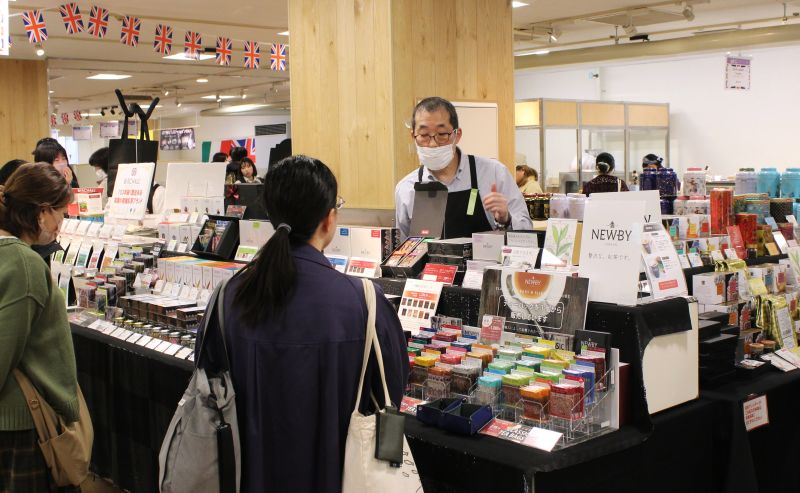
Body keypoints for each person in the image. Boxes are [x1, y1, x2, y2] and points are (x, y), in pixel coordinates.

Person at [198, 155, 409, 493]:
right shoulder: (365, 301)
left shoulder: (227, 297)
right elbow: (391, 388)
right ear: (329, 218)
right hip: (341, 477)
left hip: (248, 476)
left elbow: (206, 381)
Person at [0, 163, 81, 492]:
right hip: (23, 424)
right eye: (60, 213)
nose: (61, 224)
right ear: (41, 212)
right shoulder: (24, 263)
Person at [395, 97, 533, 239]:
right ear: (413, 136)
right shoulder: (407, 188)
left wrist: (506, 219)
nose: (433, 144)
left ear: (457, 135)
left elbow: (527, 233)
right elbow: (402, 248)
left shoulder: (494, 173)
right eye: (424, 135)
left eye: (442, 134)